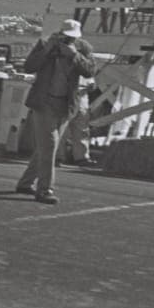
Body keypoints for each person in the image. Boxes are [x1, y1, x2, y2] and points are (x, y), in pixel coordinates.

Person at [15, 19, 96, 204]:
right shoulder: (46, 44)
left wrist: (75, 56)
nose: (68, 41)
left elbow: (90, 71)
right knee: (50, 145)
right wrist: (47, 50)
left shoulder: (83, 48)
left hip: (66, 106)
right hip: (44, 102)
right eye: (66, 37)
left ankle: (25, 183)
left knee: (46, 147)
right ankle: (45, 189)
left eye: (72, 38)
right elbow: (29, 66)